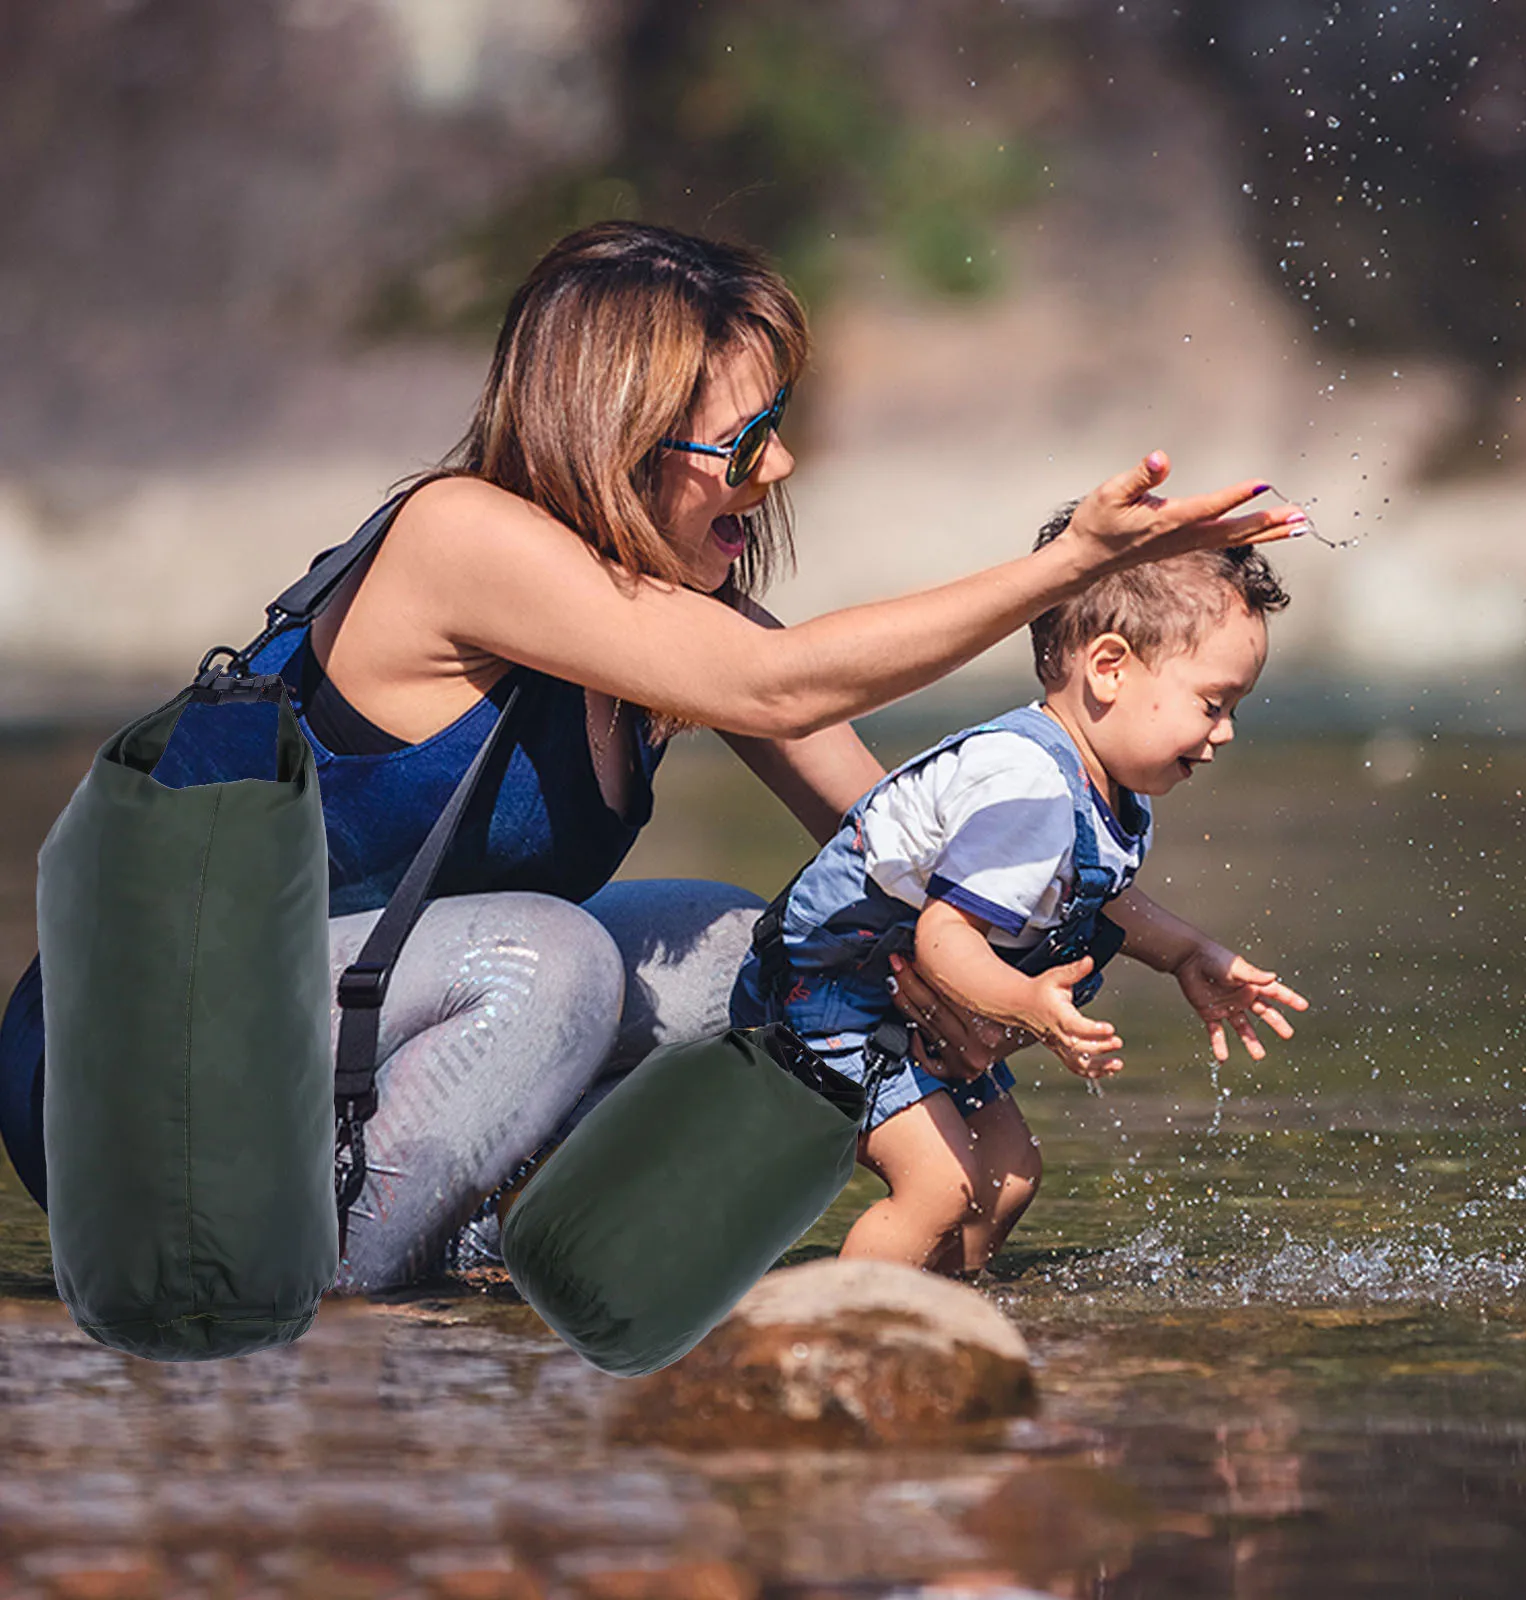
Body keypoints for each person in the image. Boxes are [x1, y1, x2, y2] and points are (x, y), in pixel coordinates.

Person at [0, 222, 1308, 1292]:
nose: (781, 464)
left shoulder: (672, 625)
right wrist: (1066, 566)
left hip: (328, 1035)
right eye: (745, 442)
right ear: (618, 437)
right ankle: (337, 1296)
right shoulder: (461, 537)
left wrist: (1117, 952)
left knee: (783, 946)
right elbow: (775, 682)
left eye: (780, 421)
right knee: (550, 961)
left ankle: (507, 1259)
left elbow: (903, 837)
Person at [730, 512, 1310, 1275]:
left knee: (1010, 1175)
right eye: (1213, 703)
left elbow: (1094, 897)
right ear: (1109, 667)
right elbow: (944, 935)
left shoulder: (1100, 786)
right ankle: (841, 1332)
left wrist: (1185, 954)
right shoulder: (1028, 783)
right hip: (825, 994)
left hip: (889, 992)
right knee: (939, 1186)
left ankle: (948, 1312)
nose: (1226, 731)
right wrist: (1027, 1002)